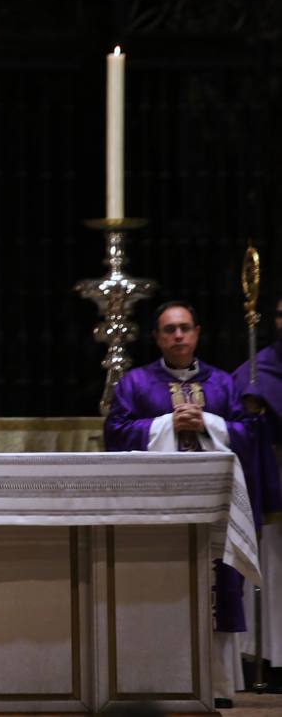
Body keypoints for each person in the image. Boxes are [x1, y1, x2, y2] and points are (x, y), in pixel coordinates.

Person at [105, 301, 273, 707]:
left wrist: (209, 424)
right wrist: (166, 424)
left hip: (214, 504)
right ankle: (158, 680)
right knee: (156, 586)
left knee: (219, 586)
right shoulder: (135, 383)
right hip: (157, 504)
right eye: (168, 330)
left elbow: (251, 434)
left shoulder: (222, 384)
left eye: (184, 328)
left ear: (197, 332)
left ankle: (216, 685)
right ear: (157, 337)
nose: (177, 336)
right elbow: (115, 431)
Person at [232, 293, 282, 674]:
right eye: (281, 314)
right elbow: (236, 427)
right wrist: (253, 417)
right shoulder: (258, 372)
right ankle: (271, 658)